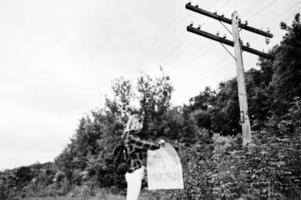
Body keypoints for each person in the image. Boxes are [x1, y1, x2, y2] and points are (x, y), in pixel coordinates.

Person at [123, 114, 165, 200]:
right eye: (141, 123)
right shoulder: (131, 137)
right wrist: (159, 145)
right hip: (134, 174)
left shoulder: (128, 136)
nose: (142, 126)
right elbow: (146, 144)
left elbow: (136, 154)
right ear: (137, 123)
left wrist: (142, 166)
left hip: (133, 172)